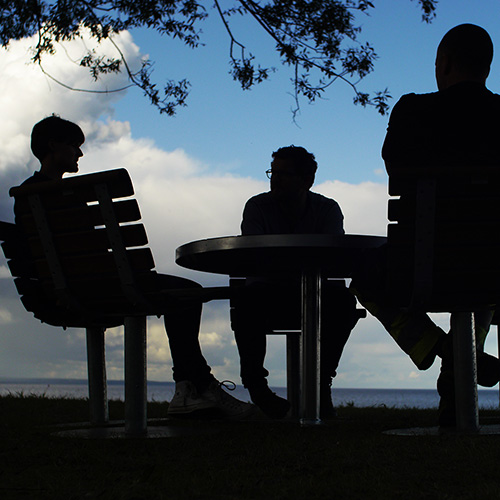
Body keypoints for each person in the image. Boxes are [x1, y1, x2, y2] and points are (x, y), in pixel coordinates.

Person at [14, 115, 254, 420]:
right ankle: (192, 387)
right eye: (74, 145)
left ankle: (194, 386)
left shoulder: (25, 197)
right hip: (103, 286)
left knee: (182, 292)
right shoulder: (67, 196)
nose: (80, 153)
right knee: (188, 293)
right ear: (53, 146)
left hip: (60, 289)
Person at [351, 24, 500, 426]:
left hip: (423, 271)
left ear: (445, 63)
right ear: (487, 67)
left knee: (364, 273)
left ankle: (445, 349)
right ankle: (459, 361)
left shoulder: (413, 111)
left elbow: (393, 164)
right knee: (484, 270)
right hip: (497, 271)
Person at [233, 145, 360, 419]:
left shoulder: (327, 209)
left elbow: (332, 258)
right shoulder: (257, 206)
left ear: (307, 180)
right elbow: (254, 255)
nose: (274, 179)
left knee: (343, 303)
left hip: (316, 297)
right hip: (268, 296)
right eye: (272, 172)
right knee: (246, 300)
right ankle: (256, 386)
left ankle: (320, 383)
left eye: (284, 174)